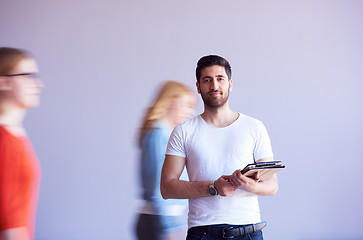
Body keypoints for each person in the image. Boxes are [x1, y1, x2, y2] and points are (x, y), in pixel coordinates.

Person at [160, 55, 279, 240]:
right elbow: (167, 188)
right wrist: (213, 187)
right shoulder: (183, 131)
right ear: (198, 87)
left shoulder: (255, 127)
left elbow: (272, 186)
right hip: (202, 233)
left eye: (220, 79)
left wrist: (248, 185)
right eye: (207, 80)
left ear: (230, 84)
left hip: (249, 231)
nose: (214, 86)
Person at [136, 81, 196, 240]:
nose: (189, 112)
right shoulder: (159, 135)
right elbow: (158, 184)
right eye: (186, 105)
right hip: (163, 220)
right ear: (170, 103)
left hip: (170, 219)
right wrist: (171, 227)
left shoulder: (168, 135)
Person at [0, 47, 44, 240]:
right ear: (4, 82)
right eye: (28, 76)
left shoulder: (16, 137)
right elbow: (10, 224)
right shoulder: (5, 141)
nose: (39, 84)